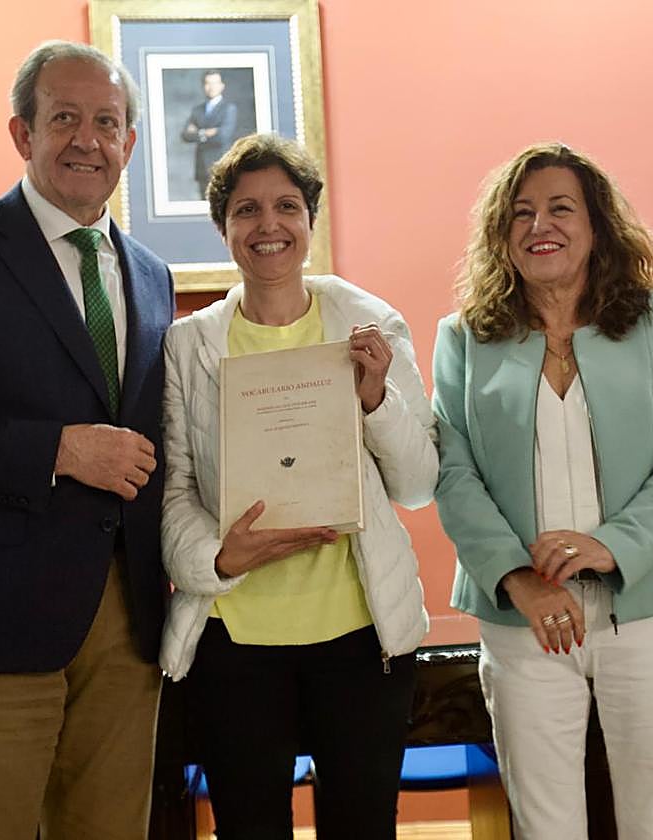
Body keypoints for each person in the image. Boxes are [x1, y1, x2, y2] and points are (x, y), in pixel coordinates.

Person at [0, 40, 174, 839]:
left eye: (108, 122)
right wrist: (57, 450)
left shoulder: (150, 273)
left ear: (131, 144)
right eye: (65, 118)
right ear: (23, 133)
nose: (88, 139)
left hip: (128, 627)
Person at [432, 142, 653, 839]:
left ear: (597, 226)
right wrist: (517, 580)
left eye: (561, 208)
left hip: (646, 606)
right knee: (545, 826)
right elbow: (453, 470)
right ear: (501, 235)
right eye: (522, 212)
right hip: (524, 616)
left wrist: (610, 545)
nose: (542, 225)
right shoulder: (463, 338)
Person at [158, 132, 437, 839]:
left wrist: (376, 399)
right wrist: (220, 559)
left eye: (287, 205)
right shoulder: (190, 345)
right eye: (247, 210)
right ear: (225, 228)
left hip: (357, 636)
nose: (268, 225)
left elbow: (418, 483)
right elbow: (175, 492)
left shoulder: (369, 324)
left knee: (361, 827)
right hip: (236, 643)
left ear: (311, 220)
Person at [181, 69, 238, 198]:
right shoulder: (197, 110)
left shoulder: (229, 109)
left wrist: (198, 133)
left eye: (215, 83)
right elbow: (185, 135)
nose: (211, 87)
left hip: (221, 165)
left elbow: (223, 136)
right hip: (201, 166)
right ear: (203, 86)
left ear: (222, 86)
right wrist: (207, 133)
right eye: (207, 83)